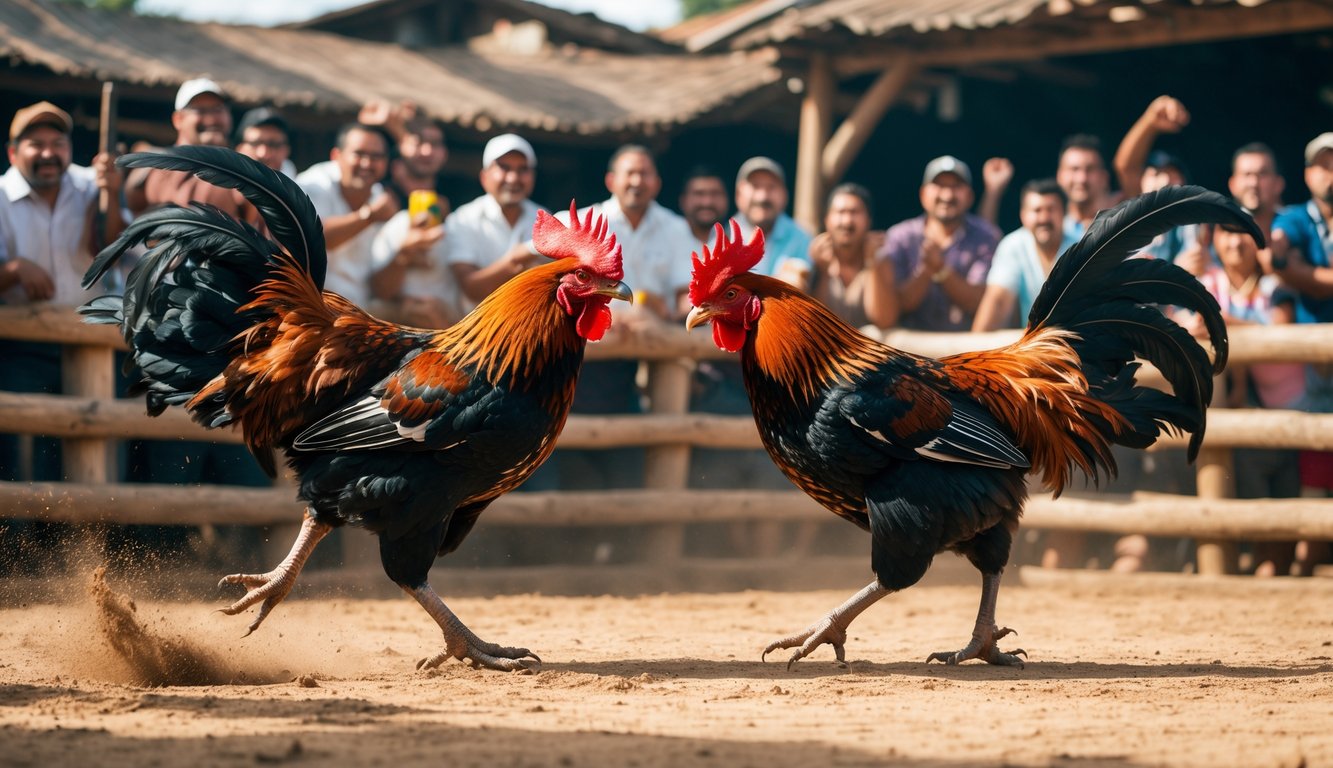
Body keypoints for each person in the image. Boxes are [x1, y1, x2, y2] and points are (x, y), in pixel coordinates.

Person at [0, 101, 124, 484]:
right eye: (36, 144)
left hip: (95, 343)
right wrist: (15, 269)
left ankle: (96, 538)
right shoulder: (0, 197)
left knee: (101, 443)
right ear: (13, 151)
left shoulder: (93, 185)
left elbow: (113, 248)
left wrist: (112, 196)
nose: (49, 153)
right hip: (24, 345)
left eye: (58, 143)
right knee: (21, 445)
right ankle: (20, 539)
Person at [558, 145, 696, 491]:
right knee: (566, 461)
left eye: (645, 173)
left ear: (657, 183)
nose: (637, 180)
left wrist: (664, 314)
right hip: (579, 362)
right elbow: (552, 284)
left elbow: (685, 297)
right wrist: (621, 315)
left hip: (634, 366)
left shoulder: (676, 228)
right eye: (629, 173)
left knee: (628, 467)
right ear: (611, 180)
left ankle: (624, 540)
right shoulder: (579, 223)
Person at [1176, 223, 1304, 575]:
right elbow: (1188, 324)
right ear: (1216, 239)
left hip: (1295, 409)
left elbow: (1281, 333)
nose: (1235, 241)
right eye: (1227, 233)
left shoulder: (1274, 285)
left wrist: (1222, 322)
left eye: (1243, 233)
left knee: (1297, 505)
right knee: (1252, 496)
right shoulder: (1209, 282)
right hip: (1237, 414)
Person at [1269, 132, 1333, 575]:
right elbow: (1275, 257)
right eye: (1323, 164)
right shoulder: (1293, 218)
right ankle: (1307, 560)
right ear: (1307, 174)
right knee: (1316, 454)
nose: (1330, 173)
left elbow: (1287, 266)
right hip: (1316, 364)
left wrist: (1308, 276)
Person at [881, 155, 999, 331]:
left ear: (969, 196)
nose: (947, 195)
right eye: (939, 186)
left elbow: (979, 304)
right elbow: (894, 307)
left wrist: (941, 270)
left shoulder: (987, 237)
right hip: (908, 347)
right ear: (923, 194)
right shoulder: (900, 236)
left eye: (956, 186)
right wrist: (927, 269)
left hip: (967, 347)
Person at [124, 78, 258, 225]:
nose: (212, 119)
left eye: (218, 109)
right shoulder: (151, 169)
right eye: (201, 110)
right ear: (178, 119)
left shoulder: (241, 170)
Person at [296, 122, 399, 306]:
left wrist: (405, 255)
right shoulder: (314, 183)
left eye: (376, 156)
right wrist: (369, 215)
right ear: (336, 156)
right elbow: (311, 236)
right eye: (359, 154)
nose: (367, 163)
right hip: (309, 307)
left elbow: (382, 289)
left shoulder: (382, 199)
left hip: (359, 313)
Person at [444, 133, 544, 313]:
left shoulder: (544, 219)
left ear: (533, 177)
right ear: (484, 177)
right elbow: (471, 288)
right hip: (475, 334)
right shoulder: (462, 220)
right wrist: (516, 259)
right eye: (504, 168)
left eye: (522, 169)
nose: (513, 178)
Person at [972, 178, 1077, 331]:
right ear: (1023, 215)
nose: (1044, 218)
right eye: (1037, 210)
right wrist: (976, 350)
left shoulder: (1081, 247)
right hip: (1029, 347)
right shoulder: (1012, 246)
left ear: (1064, 213)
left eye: (1051, 209)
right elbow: (998, 302)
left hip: (1076, 345)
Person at [806, 183, 894, 331]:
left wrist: (873, 264)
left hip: (868, 348)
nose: (847, 221)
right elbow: (816, 324)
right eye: (840, 212)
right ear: (827, 220)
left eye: (855, 212)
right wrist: (824, 272)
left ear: (868, 221)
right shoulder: (815, 257)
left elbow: (884, 321)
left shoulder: (881, 259)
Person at [732, 157, 812, 286]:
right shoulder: (720, 236)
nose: (763, 196)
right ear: (738, 194)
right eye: (755, 186)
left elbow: (798, 285)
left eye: (771, 187)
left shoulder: (801, 239)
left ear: (785, 196)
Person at [1057, 133, 1120, 240]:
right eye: (1074, 169)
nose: (1082, 178)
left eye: (1090, 169)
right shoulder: (1051, 230)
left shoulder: (1125, 223)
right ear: (1060, 176)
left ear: (1104, 177)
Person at [234, 106, 296, 178]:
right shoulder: (220, 186)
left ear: (287, 150)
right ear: (239, 148)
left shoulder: (302, 187)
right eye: (255, 143)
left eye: (274, 144)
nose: (263, 154)